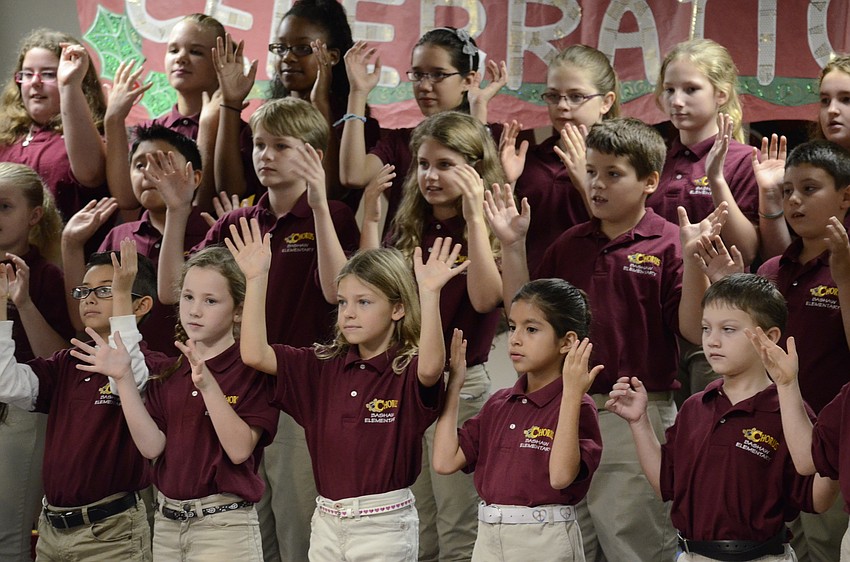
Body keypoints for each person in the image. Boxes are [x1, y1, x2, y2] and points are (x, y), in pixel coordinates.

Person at [155, 96, 359, 562]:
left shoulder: (333, 216)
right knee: (247, 522)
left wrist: (319, 206)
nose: (265, 155)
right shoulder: (239, 221)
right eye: (259, 145)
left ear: (313, 155)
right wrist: (177, 212)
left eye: (280, 146)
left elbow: (336, 292)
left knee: (295, 523)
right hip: (236, 387)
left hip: (296, 390)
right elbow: (171, 290)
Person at [487, 117, 688, 560]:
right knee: (564, 542)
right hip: (566, 409)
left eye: (613, 174)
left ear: (649, 181)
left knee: (633, 544)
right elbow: (525, 312)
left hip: (633, 409)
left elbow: (691, 329)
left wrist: (698, 268)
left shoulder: (669, 243)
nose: (597, 184)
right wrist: (513, 246)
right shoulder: (569, 243)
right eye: (592, 172)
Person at [230, 214, 464, 560]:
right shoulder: (320, 365)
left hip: (385, 525)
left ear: (398, 308)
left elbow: (430, 368)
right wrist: (255, 278)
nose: (348, 313)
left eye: (363, 302)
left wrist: (429, 295)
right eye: (342, 302)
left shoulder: (405, 368)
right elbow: (254, 354)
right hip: (327, 520)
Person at [607, 273, 838, 561]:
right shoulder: (694, 407)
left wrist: (837, 447)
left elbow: (817, 499)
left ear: (769, 337)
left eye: (728, 329)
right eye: (706, 328)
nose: (712, 341)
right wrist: (639, 422)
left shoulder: (789, 411)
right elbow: (666, 484)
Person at [359, 110, 505, 559]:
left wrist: (475, 218)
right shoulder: (409, 226)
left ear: (475, 169)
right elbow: (369, 294)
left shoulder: (489, 224)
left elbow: (486, 300)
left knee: (458, 524)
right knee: (413, 520)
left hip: (459, 385)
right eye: (423, 164)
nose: (430, 176)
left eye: (445, 165)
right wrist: (370, 224)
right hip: (404, 382)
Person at [78, 245, 280, 561]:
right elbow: (152, 447)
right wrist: (123, 380)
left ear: (239, 310)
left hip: (225, 527)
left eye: (210, 301)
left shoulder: (251, 370)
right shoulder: (169, 370)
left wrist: (209, 386)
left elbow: (240, 450)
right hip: (168, 525)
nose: (194, 310)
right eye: (188, 297)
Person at [0, 240, 170, 561]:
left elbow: (128, 377)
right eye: (84, 290)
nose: (89, 298)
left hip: (112, 533)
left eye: (106, 290)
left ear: (141, 305)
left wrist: (122, 295)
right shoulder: (67, 362)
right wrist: (2, 306)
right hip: (52, 530)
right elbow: (6, 384)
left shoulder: (152, 365)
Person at [432, 279, 602, 561]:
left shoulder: (578, 405)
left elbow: (560, 477)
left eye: (531, 329)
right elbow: (444, 461)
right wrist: (454, 387)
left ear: (567, 342)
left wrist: (572, 393)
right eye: (512, 327)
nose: (515, 339)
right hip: (488, 538)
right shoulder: (499, 403)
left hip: (545, 540)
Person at [751, 139, 850, 561]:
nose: (793, 199)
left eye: (809, 189)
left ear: (845, 197)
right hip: (768, 437)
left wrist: (844, 278)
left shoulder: (847, 265)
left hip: (829, 439)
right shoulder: (771, 270)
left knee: (826, 544)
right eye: (787, 190)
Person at [341, 26, 507, 235]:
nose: (425, 86)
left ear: (467, 80)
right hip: (403, 252)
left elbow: (482, 182)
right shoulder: (401, 140)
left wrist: (479, 107)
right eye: (418, 74)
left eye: (438, 75)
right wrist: (357, 93)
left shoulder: (495, 136)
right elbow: (354, 176)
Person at [62, 125, 210, 354]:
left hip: (194, 364)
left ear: (195, 177)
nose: (148, 172)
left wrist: (177, 209)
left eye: (162, 163)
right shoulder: (119, 236)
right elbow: (83, 320)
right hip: (127, 364)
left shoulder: (211, 232)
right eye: (140, 165)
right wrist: (71, 245)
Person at [214, 0, 378, 206]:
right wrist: (231, 102)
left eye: (302, 48)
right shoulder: (270, 117)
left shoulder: (354, 124)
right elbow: (230, 191)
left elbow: (329, 194)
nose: (288, 57)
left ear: (332, 56)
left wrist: (320, 103)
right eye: (281, 48)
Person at [0, 162, 73, 562]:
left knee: (9, 536)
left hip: (20, 414)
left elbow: (59, 359)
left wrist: (23, 303)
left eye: (4, 206)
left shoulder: (45, 276)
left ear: (34, 216)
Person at [504, 44, 619, 273]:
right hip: (533, 284)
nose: (562, 106)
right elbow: (504, 235)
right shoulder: (531, 160)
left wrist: (584, 181)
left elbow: (619, 237)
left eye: (576, 97)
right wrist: (508, 182)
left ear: (606, 102)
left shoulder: (621, 161)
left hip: (591, 283)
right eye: (553, 96)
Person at [651, 38, 758, 265]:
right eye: (669, 89)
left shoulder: (746, 159)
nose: (676, 101)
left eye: (691, 89)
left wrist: (716, 179)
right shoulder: (657, 158)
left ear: (721, 94)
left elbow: (746, 253)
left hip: (715, 282)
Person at [0, 28, 108, 225]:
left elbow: (91, 174)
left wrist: (69, 85)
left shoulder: (93, 135)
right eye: (27, 74)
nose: (35, 82)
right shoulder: (6, 136)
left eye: (48, 74)